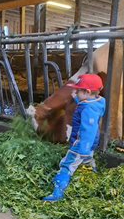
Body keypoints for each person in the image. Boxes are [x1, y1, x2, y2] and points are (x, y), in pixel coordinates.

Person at [42, 73, 106, 201]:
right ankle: (94, 177)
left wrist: (82, 148)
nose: (75, 92)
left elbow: (89, 129)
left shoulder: (88, 110)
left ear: (87, 91)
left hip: (81, 143)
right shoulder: (98, 102)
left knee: (66, 164)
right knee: (88, 160)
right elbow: (87, 104)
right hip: (90, 143)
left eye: (78, 91)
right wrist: (77, 100)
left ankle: (58, 192)